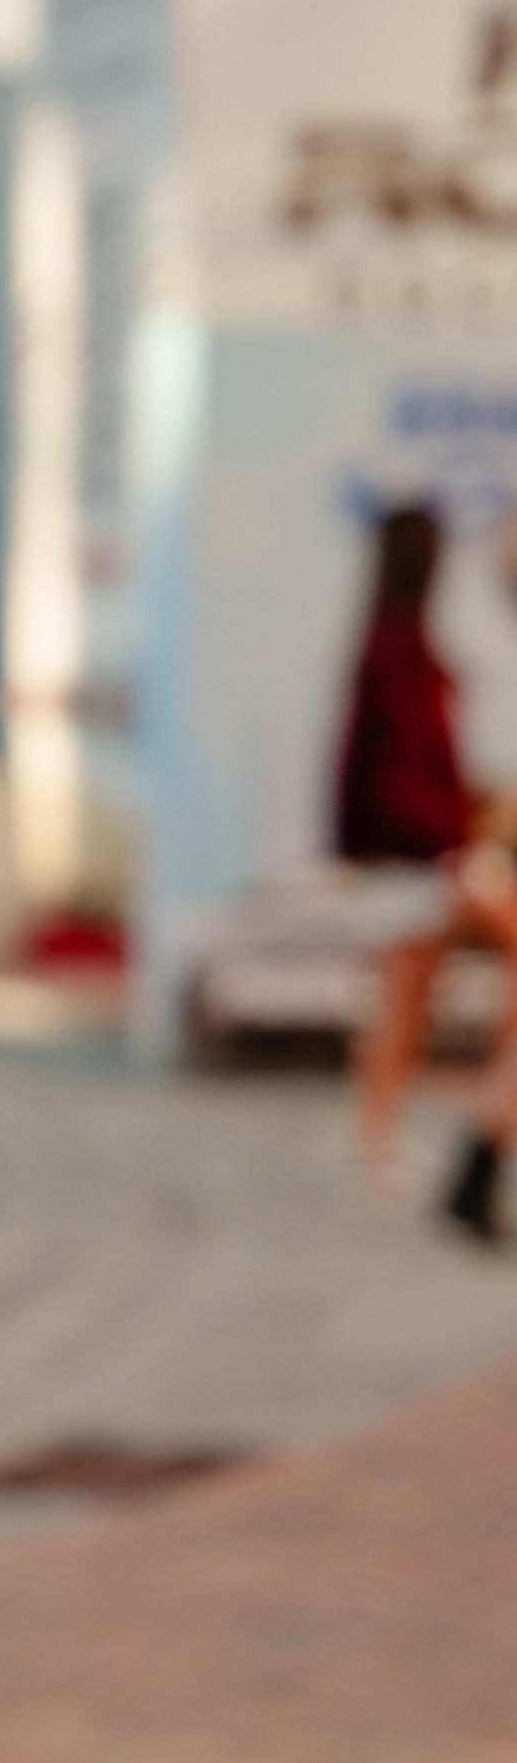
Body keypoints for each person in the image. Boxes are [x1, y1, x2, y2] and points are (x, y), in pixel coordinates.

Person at [335, 500, 517, 1236]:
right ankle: (403, 1143)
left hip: (419, 856)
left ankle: (392, 1143)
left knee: (406, 1006)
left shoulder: (398, 647)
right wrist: (456, 838)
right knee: (405, 1005)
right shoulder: (398, 654)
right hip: (418, 861)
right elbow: (393, 780)